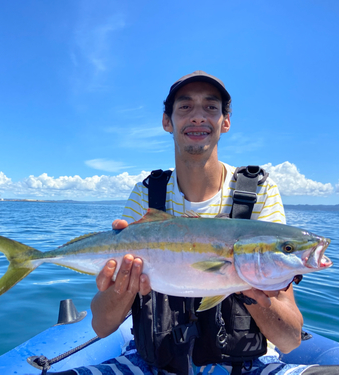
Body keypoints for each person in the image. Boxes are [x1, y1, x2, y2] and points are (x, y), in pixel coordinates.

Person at [87, 71, 305, 374]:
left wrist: (252, 290)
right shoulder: (148, 193)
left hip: (247, 365)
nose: (199, 117)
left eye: (211, 107)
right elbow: (101, 325)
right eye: (185, 107)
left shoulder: (258, 192)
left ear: (225, 122)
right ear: (167, 121)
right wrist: (122, 286)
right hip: (152, 364)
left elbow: (291, 338)